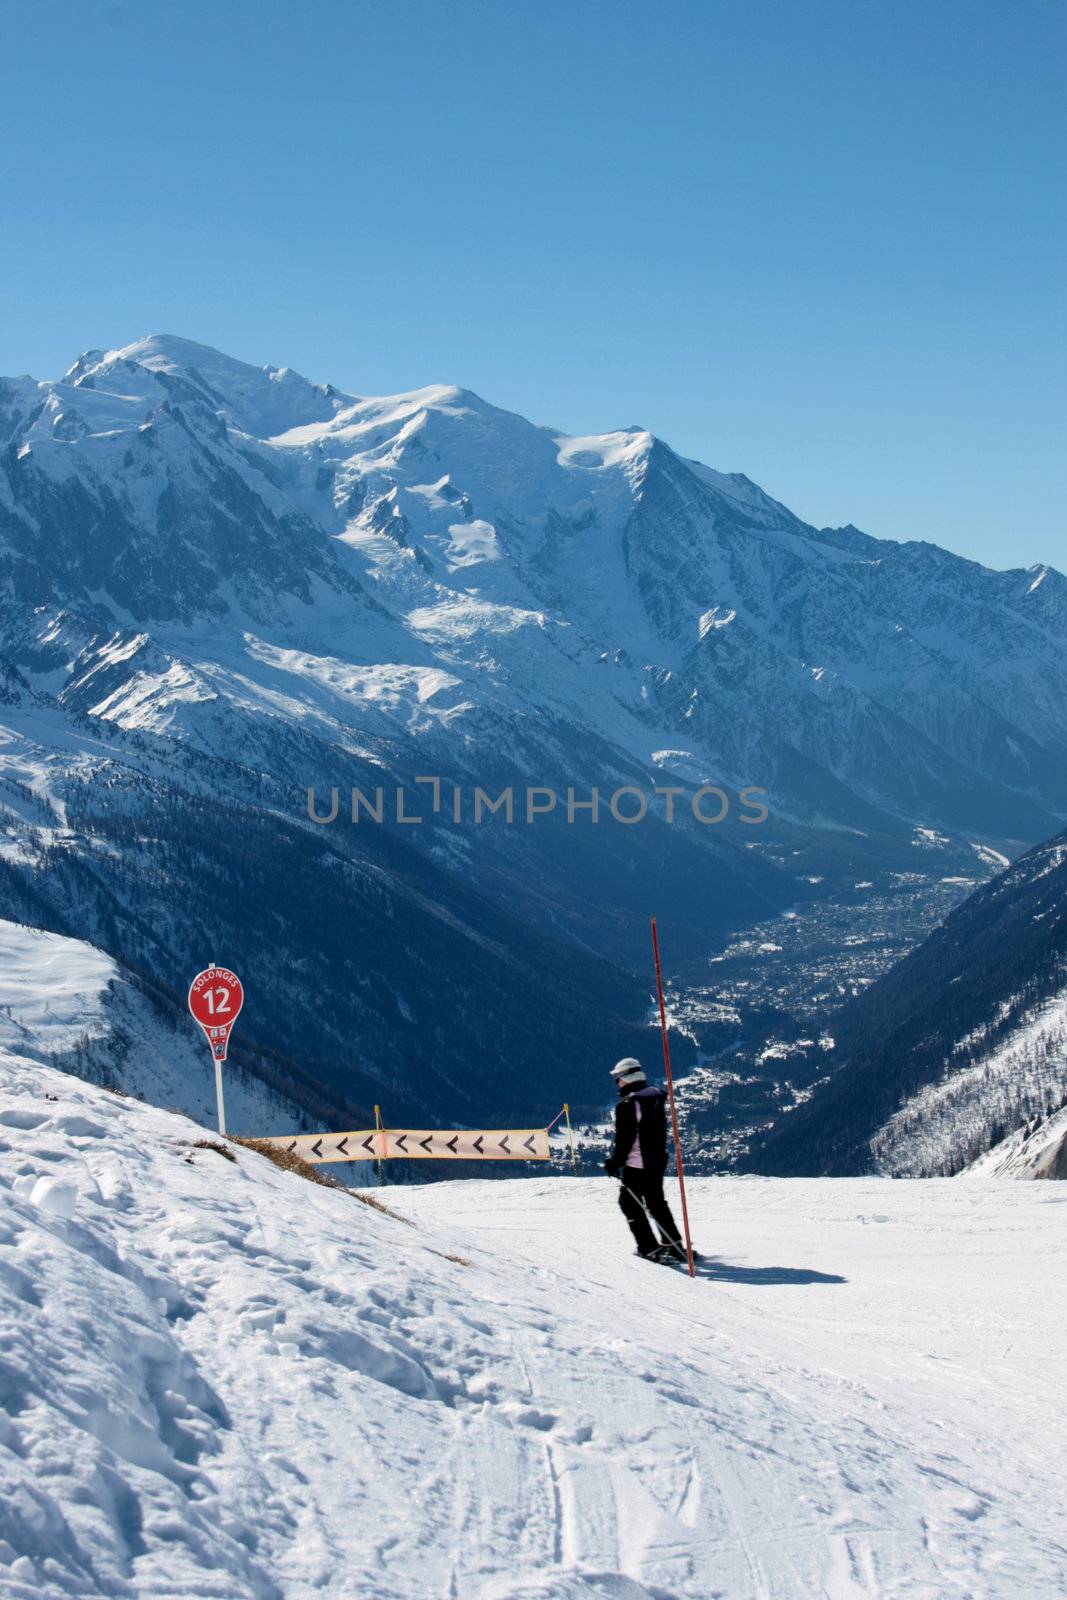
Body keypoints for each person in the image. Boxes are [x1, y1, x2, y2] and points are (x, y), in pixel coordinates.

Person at [603, 1058, 689, 1262]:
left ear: (626, 1077)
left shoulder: (628, 1105)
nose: (617, 1082)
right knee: (656, 1202)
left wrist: (615, 1163)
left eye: (617, 1078)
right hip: (657, 1160)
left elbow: (625, 1139)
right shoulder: (654, 1097)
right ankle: (674, 1246)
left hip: (637, 1163)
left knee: (629, 1203)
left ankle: (648, 1248)